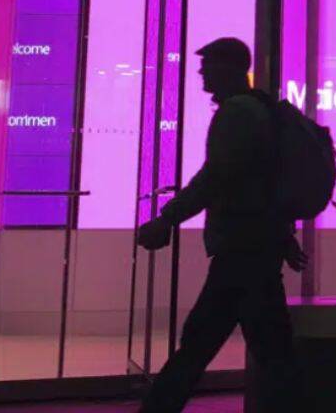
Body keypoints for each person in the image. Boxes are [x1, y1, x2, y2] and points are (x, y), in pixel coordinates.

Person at [136, 37, 304, 413]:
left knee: (200, 345)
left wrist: (166, 219)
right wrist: (283, 237)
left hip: (242, 249)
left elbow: (215, 179)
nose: (200, 72)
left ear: (230, 68)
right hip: (256, 247)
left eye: (208, 64)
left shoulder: (238, 114)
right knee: (270, 351)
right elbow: (261, 183)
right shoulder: (258, 110)